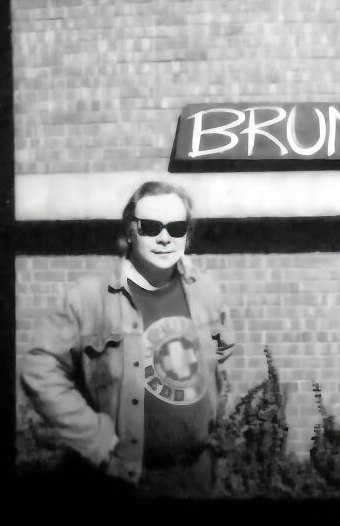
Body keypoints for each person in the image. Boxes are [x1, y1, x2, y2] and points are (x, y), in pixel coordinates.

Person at [20, 180, 236, 498]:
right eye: (151, 227)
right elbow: (40, 370)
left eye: (176, 228)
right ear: (130, 231)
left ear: (187, 235)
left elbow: (223, 350)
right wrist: (98, 441)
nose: (165, 237)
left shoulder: (206, 291)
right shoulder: (88, 298)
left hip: (196, 474)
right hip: (121, 479)